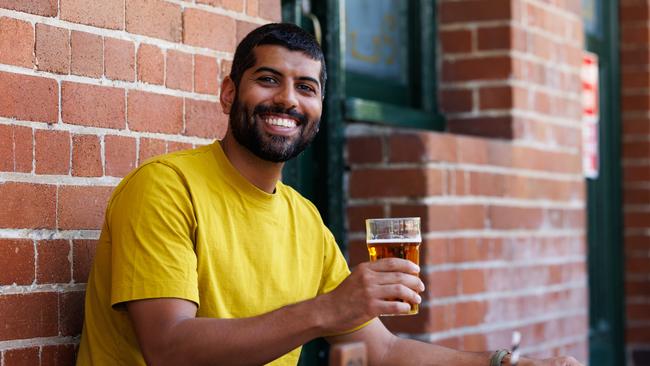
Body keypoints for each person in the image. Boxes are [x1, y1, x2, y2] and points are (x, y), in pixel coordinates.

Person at [76, 23, 583, 366]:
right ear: (229, 92)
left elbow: (382, 351)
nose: (287, 100)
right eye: (268, 80)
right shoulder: (166, 187)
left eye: (306, 88)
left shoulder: (304, 220)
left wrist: (503, 363)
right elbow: (169, 348)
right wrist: (327, 309)